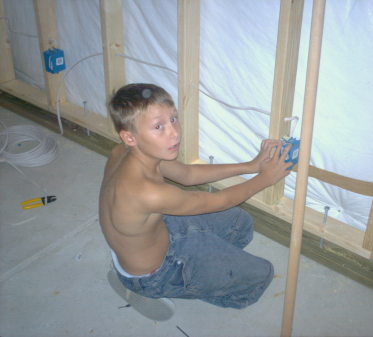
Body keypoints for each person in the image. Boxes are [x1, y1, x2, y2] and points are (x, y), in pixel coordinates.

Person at [99, 83, 291, 312]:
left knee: (241, 224)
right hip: (155, 273)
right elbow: (218, 201)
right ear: (130, 137)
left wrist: (251, 166)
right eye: (159, 126)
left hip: (160, 232)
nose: (174, 132)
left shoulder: (125, 151)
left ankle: (205, 269)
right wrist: (266, 178)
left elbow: (188, 175)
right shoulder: (147, 193)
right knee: (261, 276)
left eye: (173, 118)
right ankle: (158, 289)